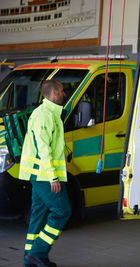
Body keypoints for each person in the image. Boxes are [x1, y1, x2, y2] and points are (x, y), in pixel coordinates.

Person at [19, 80, 72, 267]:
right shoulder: (44, 115)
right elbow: (43, 149)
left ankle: (29, 260)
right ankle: (38, 252)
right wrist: (53, 177)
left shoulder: (50, 113)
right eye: (62, 91)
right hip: (44, 176)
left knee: (38, 217)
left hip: (40, 175)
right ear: (55, 92)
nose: (64, 94)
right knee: (63, 211)